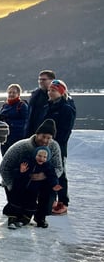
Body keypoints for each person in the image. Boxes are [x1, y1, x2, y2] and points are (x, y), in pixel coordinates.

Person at [2, 146, 58, 229]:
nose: (41, 158)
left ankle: (24, 220)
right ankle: (12, 220)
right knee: (15, 204)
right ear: (35, 155)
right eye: (39, 156)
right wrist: (21, 171)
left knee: (30, 206)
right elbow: (15, 173)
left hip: (33, 191)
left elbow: (53, 177)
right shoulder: (27, 162)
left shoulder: (48, 167)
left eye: (44, 157)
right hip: (20, 188)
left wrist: (55, 185)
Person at [45, 79, 75, 215]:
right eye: (50, 90)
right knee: (48, 172)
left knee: (60, 173)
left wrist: (55, 143)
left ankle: (63, 201)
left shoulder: (66, 108)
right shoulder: (49, 106)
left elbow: (65, 130)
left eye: (54, 90)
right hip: (46, 144)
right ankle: (51, 199)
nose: (50, 92)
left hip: (59, 145)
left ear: (61, 92)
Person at [0, 83, 30, 156]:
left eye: (14, 92)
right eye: (9, 92)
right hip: (5, 138)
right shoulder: (4, 105)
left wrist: (10, 123)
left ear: (19, 94)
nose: (11, 94)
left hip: (17, 138)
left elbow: (27, 121)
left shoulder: (22, 106)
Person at [26, 69, 55, 134]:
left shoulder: (58, 97)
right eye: (40, 79)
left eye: (44, 79)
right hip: (33, 133)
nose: (41, 81)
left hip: (49, 135)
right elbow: (30, 117)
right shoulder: (35, 95)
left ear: (52, 80)